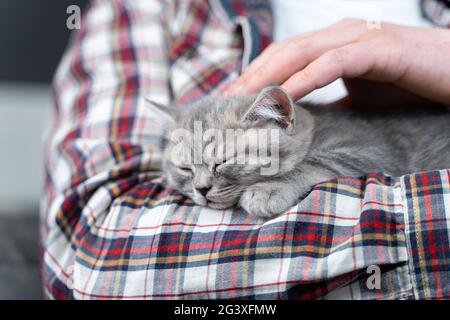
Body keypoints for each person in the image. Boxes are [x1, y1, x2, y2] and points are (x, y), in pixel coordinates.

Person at [42, 0, 449, 300]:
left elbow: (388, 158)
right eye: (187, 170)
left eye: (220, 165)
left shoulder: (319, 134)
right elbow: (95, 262)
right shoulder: (148, 10)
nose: (201, 186)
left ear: (281, 119)